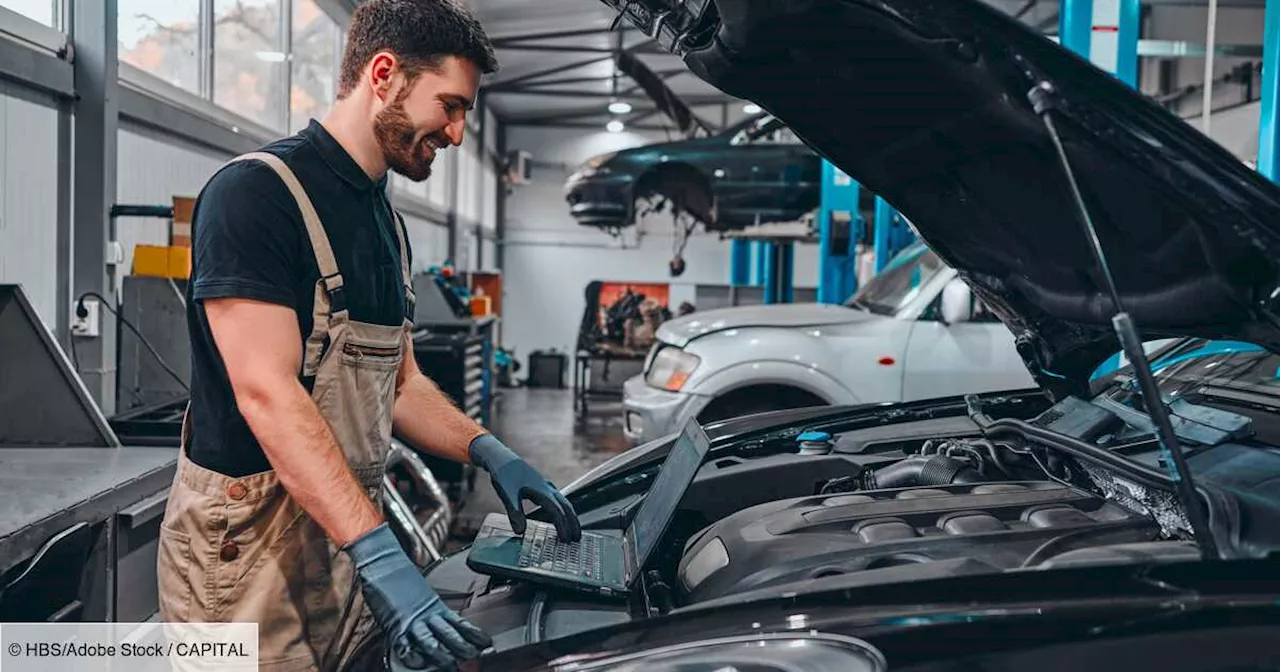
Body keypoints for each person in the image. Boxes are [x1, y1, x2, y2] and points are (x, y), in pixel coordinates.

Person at [155, 1, 580, 670]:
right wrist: (383, 555)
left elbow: (401, 384)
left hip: (342, 543)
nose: (460, 132)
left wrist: (488, 450)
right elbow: (268, 394)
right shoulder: (255, 196)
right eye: (450, 105)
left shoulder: (386, 222)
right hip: (244, 568)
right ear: (384, 75)